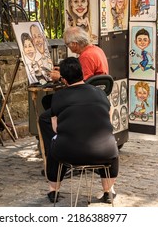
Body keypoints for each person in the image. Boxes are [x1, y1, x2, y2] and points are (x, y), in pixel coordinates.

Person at [46, 57, 118, 204]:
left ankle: (54, 190)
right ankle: (108, 191)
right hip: (104, 152)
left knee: (54, 146)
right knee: (109, 144)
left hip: (70, 153)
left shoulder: (59, 96)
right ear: (83, 73)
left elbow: (55, 128)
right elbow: (109, 122)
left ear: (64, 80)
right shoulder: (100, 93)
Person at [39, 26, 109, 170]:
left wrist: (61, 77)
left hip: (84, 100)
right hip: (94, 97)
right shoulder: (96, 50)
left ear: (75, 44)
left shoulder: (86, 56)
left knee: (45, 118)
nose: (68, 47)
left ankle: (56, 154)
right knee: (47, 101)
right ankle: (63, 133)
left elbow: (78, 82)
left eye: (67, 44)